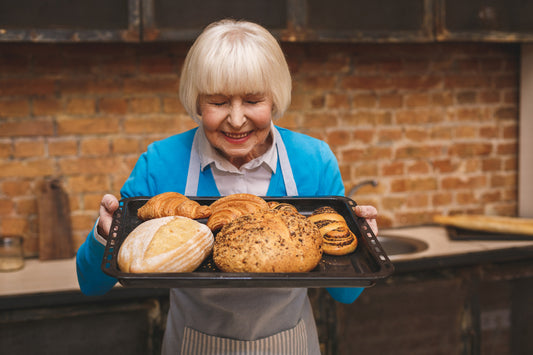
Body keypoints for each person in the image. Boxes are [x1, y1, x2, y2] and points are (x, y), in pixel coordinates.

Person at [76, 19, 378, 354]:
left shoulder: (313, 160)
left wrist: (364, 242)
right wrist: (105, 237)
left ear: (275, 99)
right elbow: (91, 285)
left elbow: (345, 293)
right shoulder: (161, 162)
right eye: (219, 102)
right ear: (197, 102)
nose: (236, 120)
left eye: (252, 101)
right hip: (193, 344)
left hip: (290, 343)